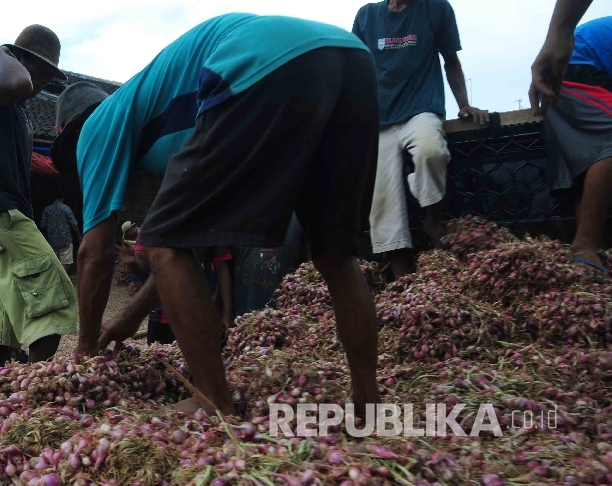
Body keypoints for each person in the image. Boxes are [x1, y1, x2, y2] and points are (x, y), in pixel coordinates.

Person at [51, 14, 382, 416]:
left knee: (160, 243)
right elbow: (193, 243)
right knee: (336, 256)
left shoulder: (96, 125)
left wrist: (86, 354)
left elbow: (95, 253)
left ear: (66, 131)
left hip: (263, 61)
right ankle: (368, 404)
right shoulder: (173, 125)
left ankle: (212, 401)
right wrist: (127, 318)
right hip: (351, 59)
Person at [0, 24, 78, 376]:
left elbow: (23, 87)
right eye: (39, 69)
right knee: (54, 299)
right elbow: (18, 83)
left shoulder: (20, 111)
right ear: (18, 59)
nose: (42, 80)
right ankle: (28, 393)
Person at [352, 0, 489, 279]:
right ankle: (401, 271)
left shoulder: (435, 8)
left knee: (431, 151)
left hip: (421, 108)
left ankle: (432, 221)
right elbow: (353, 66)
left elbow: (451, 59)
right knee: (381, 193)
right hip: (377, 117)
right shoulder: (367, 16)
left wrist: (464, 103)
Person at [542, 15, 612, 279]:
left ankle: (588, 257)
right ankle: (585, 245)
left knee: (590, 161)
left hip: (574, 68)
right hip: (571, 65)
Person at [232, 215, 310, 318]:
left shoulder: (302, 221)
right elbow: (226, 270)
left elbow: (310, 273)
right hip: (244, 313)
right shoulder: (240, 219)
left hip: (283, 319)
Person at [40, 188, 82, 275]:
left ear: (53, 197)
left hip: (52, 241)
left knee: (55, 262)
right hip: (65, 240)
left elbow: (43, 225)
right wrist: (79, 235)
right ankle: (63, 277)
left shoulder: (47, 209)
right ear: (63, 197)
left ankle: (58, 278)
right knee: (66, 262)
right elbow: (73, 223)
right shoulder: (66, 208)